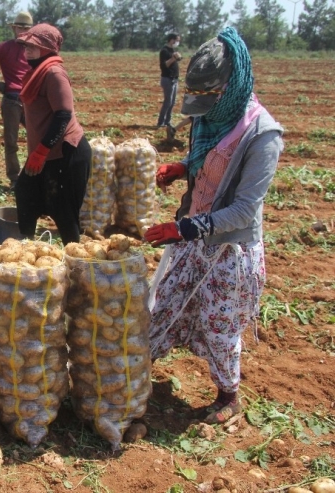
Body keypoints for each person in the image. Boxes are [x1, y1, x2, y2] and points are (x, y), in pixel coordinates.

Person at [145, 27, 284, 425]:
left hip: (229, 250)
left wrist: (185, 229)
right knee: (161, 307)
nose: (203, 105)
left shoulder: (262, 135)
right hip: (194, 234)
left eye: (210, 95)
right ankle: (134, 374)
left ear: (232, 84)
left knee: (219, 327)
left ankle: (229, 396)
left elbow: (244, 210)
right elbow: (208, 158)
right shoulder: (211, 119)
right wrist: (183, 167)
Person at [14, 24, 90, 246]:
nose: (26, 48)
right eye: (26, 44)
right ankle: (27, 248)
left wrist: (40, 151)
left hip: (66, 152)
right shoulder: (37, 73)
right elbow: (39, 113)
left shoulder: (54, 72)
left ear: (46, 47)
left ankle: (73, 264)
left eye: (32, 44)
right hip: (46, 152)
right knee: (26, 193)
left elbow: (62, 116)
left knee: (64, 211)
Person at [0, 11, 33, 190]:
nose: (22, 31)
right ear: (14, 28)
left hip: (32, 100)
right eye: (19, 27)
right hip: (12, 100)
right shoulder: (4, 48)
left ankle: (34, 174)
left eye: (26, 28)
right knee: (11, 142)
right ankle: (14, 178)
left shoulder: (34, 49)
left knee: (39, 138)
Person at [157, 33, 183, 129]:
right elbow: (164, 66)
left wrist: (178, 57)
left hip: (174, 79)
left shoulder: (172, 50)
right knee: (168, 102)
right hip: (167, 79)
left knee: (172, 102)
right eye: (176, 40)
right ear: (171, 40)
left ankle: (167, 121)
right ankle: (161, 122)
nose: (177, 42)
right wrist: (173, 58)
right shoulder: (164, 51)